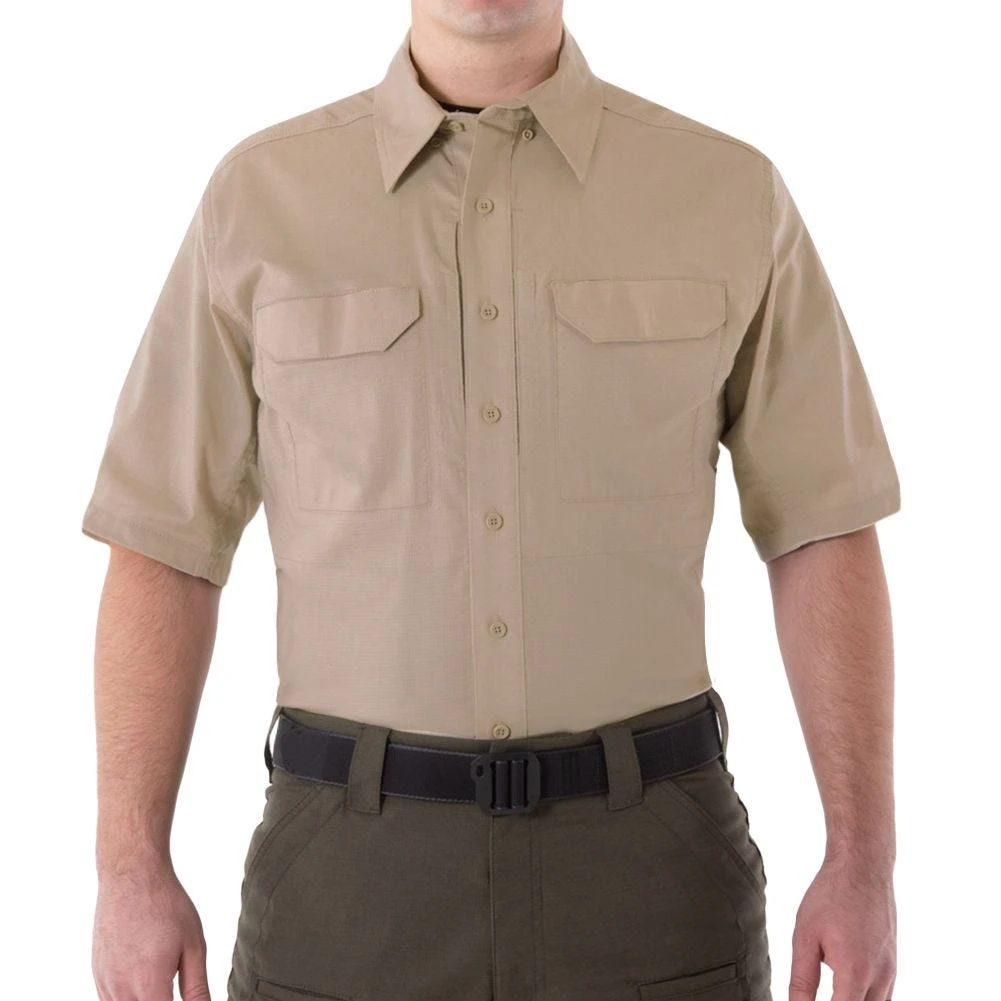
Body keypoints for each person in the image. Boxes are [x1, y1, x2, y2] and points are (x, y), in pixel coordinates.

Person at [81, 3, 900, 1001]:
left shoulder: (727, 192)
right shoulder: (258, 198)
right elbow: (165, 543)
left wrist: (861, 860)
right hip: (347, 882)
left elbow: (820, 526)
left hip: (652, 873)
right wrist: (129, 868)